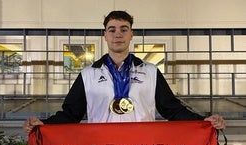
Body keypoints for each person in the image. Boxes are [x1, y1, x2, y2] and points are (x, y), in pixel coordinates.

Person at [23, 10, 225, 132]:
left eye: (123, 29)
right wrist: (44, 124)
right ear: (105, 35)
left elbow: (172, 109)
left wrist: (203, 121)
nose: (117, 34)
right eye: (112, 29)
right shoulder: (88, 75)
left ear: (131, 35)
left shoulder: (151, 72)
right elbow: (70, 114)